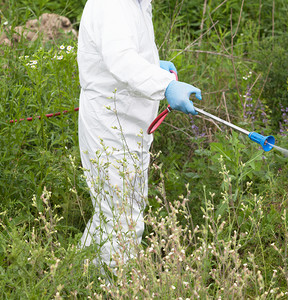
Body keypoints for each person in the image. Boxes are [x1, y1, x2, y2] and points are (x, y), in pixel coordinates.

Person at [77, 0, 202, 271]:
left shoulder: (139, 3)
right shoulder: (113, 3)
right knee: (123, 220)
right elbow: (120, 59)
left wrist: (152, 64)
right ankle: (114, 286)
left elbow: (126, 49)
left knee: (112, 210)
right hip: (110, 123)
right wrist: (165, 84)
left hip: (130, 121)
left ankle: (77, 275)